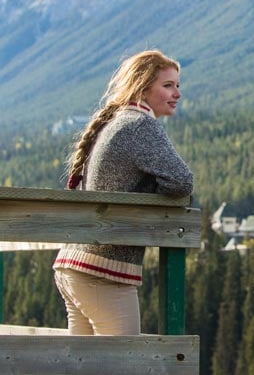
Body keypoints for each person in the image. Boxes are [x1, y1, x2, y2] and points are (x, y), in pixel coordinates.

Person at [53, 50, 193, 335]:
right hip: (103, 270)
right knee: (125, 362)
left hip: (75, 263)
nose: (177, 93)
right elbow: (181, 182)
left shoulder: (116, 122)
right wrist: (155, 190)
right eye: (167, 85)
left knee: (86, 365)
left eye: (178, 85)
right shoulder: (140, 125)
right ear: (142, 87)